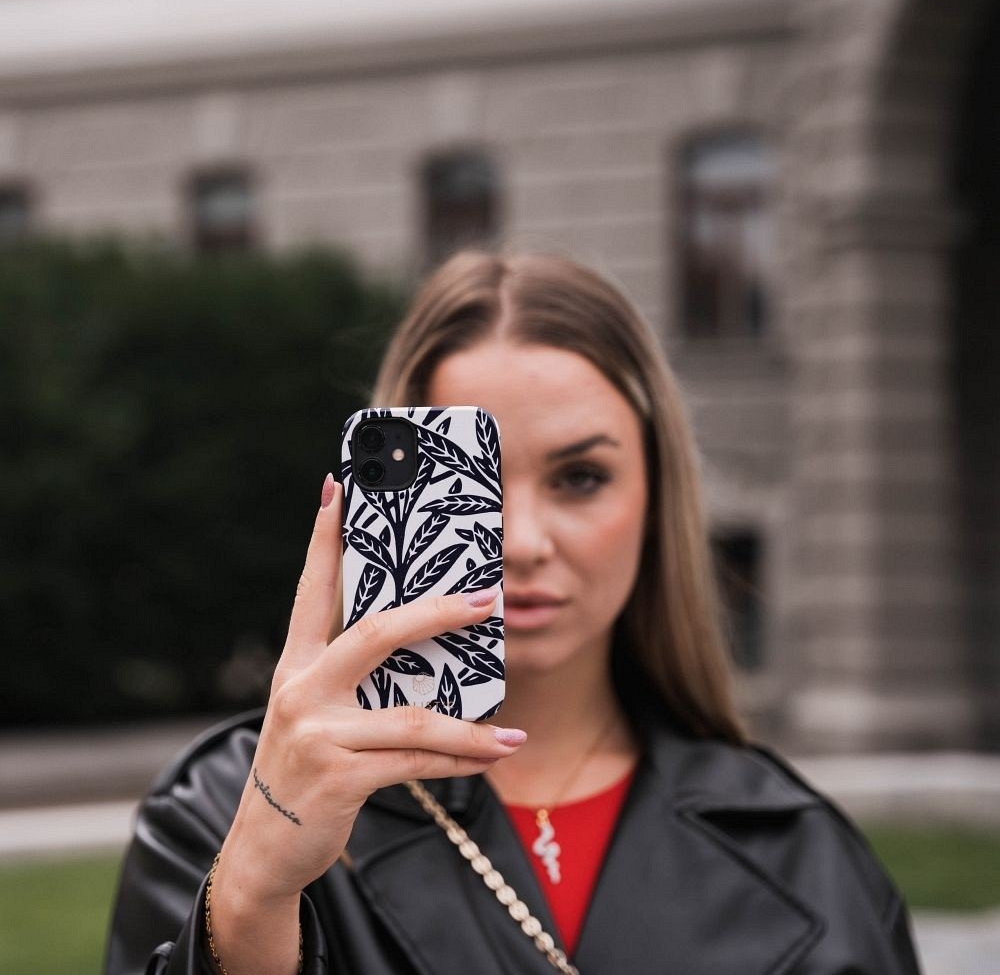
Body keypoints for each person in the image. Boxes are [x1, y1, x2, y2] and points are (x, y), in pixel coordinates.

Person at [105, 250, 922, 975]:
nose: (522, 541)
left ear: (657, 498)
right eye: (478, 485)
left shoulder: (801, 854)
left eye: (580, 478)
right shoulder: (224, 813)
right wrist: (249, 900)